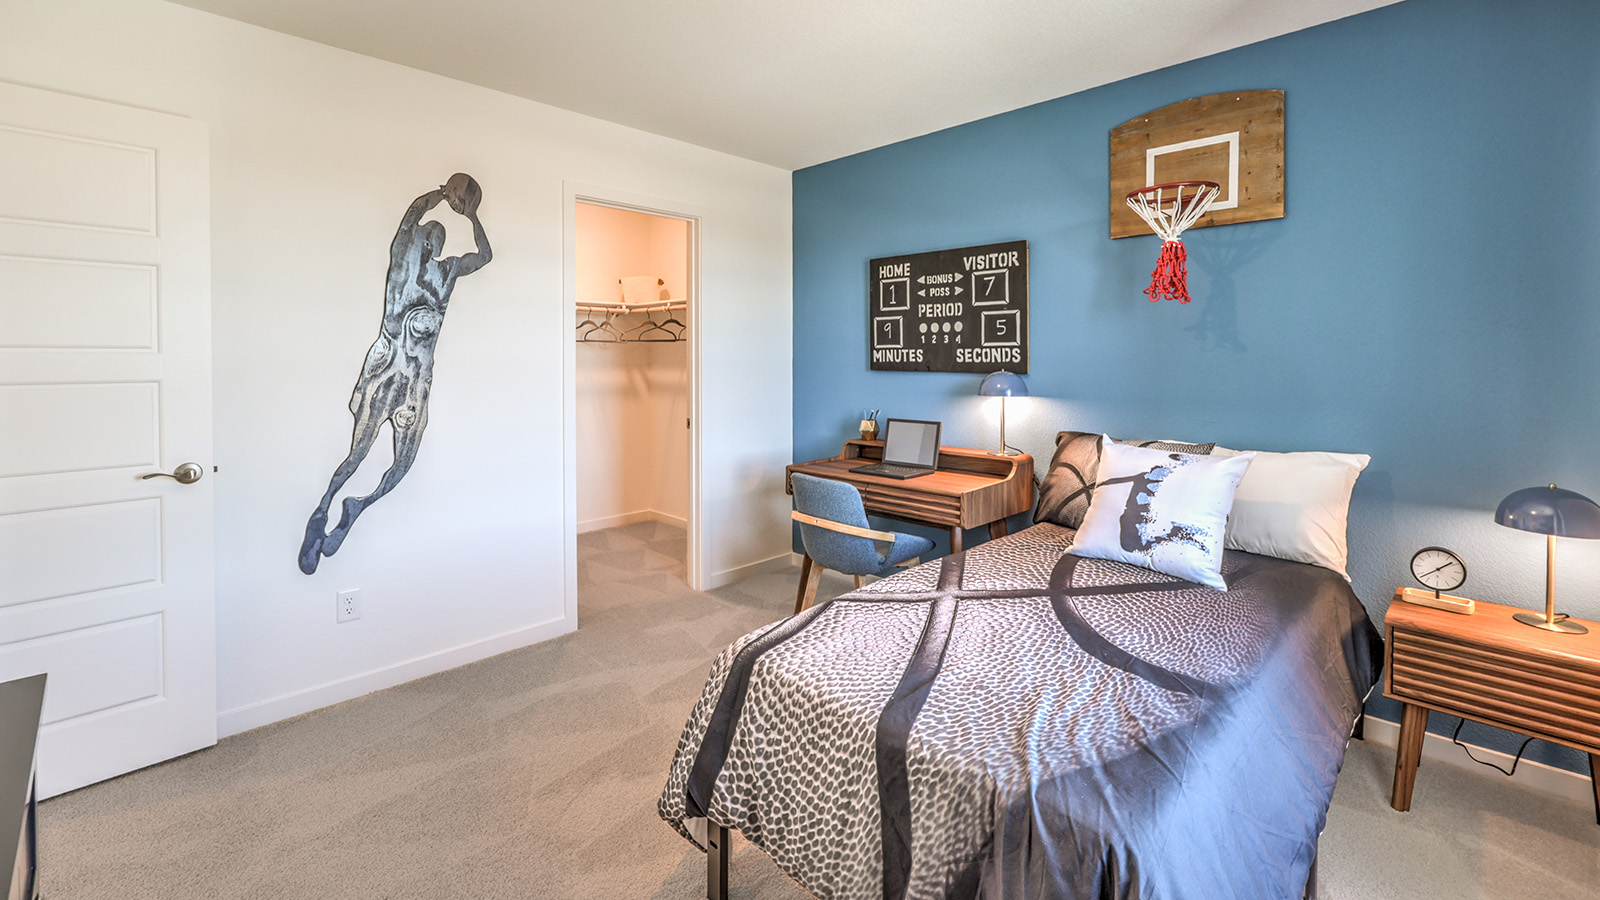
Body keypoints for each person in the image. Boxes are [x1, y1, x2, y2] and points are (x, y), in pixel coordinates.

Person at [298, 173, 492, 575]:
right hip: (387, 366)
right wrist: (441, 194)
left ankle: (357, 506)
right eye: (427, 235)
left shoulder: (448, 271)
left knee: (403, 463)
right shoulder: (402, 258)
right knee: (358, 452)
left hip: (417, 378)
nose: (431, 239)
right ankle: (322, 508)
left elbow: (485, 256)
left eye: (435, 238)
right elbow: (412, 214)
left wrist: (472, 217)